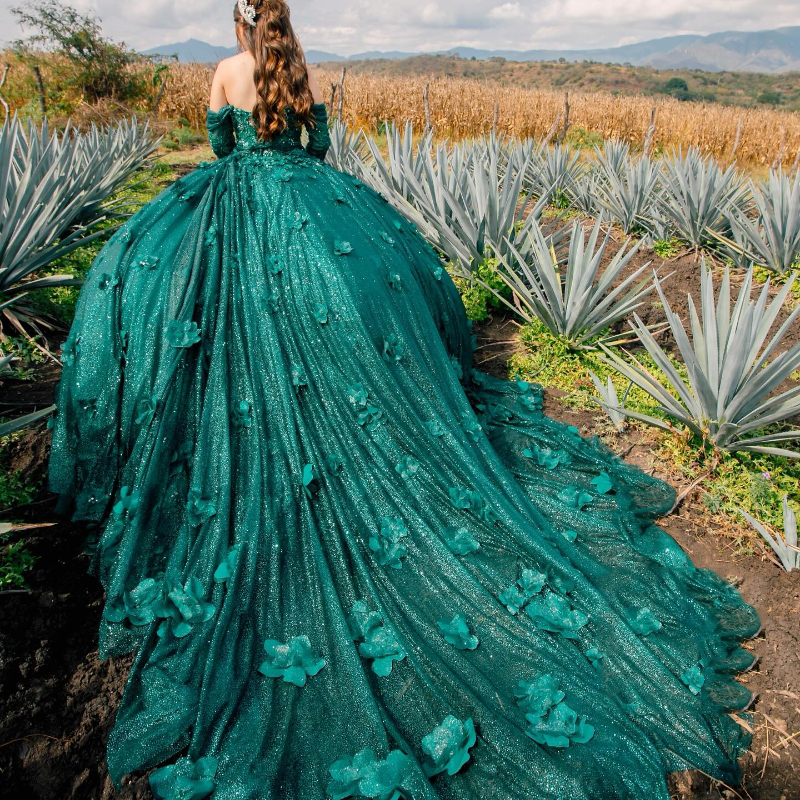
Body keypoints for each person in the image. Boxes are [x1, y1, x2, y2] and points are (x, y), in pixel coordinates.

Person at [46, 1, 761, 798]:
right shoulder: (297, 72)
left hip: (239, 208)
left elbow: (218, 142)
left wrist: (235, 144)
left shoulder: (226, 72)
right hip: (310, 206)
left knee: (202, 322)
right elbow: (317, 144)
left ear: (240, 23)